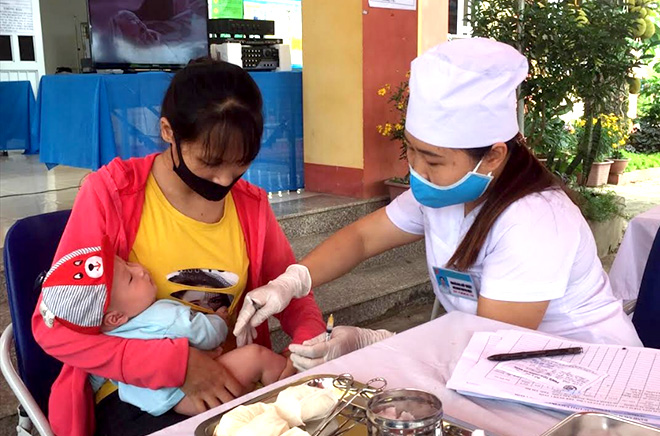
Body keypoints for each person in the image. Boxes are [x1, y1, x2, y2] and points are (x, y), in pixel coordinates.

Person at [233, 38, 643, 371]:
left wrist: (376, 342)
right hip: (503, 368)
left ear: (494, 156)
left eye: (433, 160)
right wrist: (290, 282)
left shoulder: (533, 222)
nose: (416, 169)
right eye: (410, 150)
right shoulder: (447, 193)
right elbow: (360, 238)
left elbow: (491, 347)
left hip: (590, 373)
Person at [32, 59, 325, 436]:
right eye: (209, 162)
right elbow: (52, 328)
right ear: (169, 131)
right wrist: (175, 365)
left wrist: (306, 352)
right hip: (131, 393)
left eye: (240, 166)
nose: (223, 180)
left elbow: (294, 295)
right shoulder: (112, 195)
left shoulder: (250, 205)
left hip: (225, 380)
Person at [38, 241, 295, 418]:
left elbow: (97, 378)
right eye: (130, 277)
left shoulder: (105, 334)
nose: (139, 269)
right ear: (115, 316)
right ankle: (289, 391)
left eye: (128, 263)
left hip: (150, 404)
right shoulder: (164, 314)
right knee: (255, 356)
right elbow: (206, 335)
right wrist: (220, 321)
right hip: (188, 395)